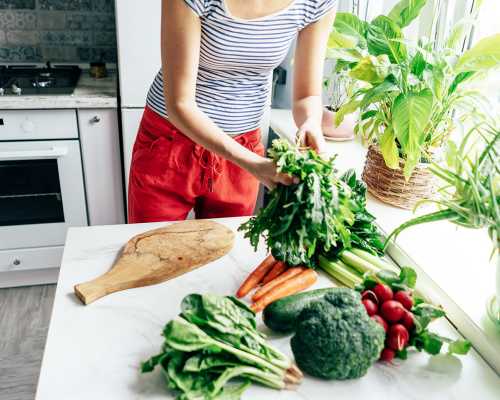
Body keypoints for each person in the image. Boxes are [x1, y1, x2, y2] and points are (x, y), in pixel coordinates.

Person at [128, 0, 337, 223]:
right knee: (152, 248)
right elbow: (180, 104)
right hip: (172, 143)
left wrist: (310, 123)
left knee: (227, 249)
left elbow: (307, 96)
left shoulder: (317, 2)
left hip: (243, 149)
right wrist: (255, 165)